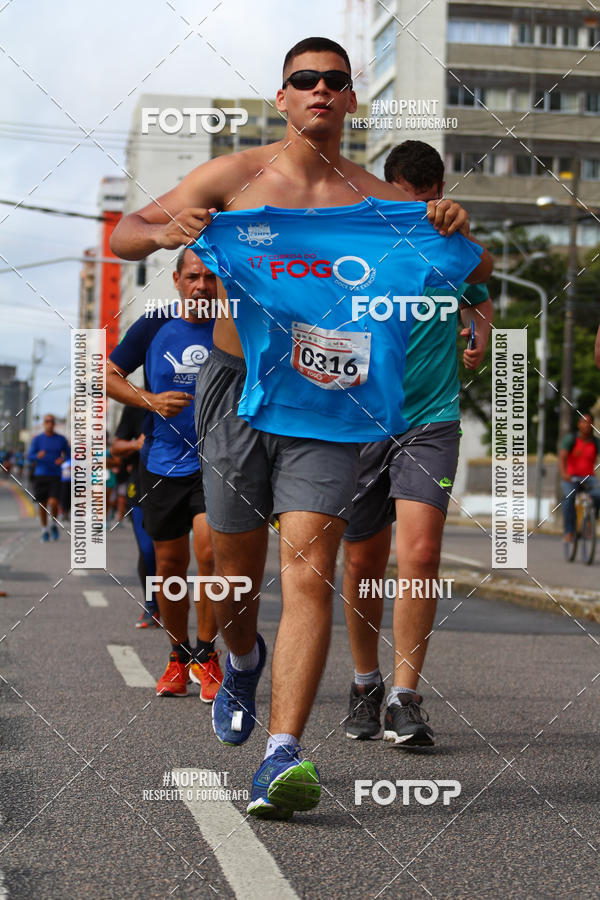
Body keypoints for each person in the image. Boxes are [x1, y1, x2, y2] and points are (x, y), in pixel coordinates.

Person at [110, 36, 492, 819]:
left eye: (335, 81)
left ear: (352, 100)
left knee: (310, 565)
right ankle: (241, 658)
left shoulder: (378, 203)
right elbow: (124, 234)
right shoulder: (235, 177)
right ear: (283, 96)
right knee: (235, 569)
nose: (320, 90)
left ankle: (282, 755)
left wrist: (449, 222)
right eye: (303, 80)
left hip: (328, 402)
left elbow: (472, 266)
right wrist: (165, 231)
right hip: (236, 388)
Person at [342, 140, 493, 745]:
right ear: (390, 189)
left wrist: (477, 334)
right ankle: (363, 683)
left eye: (430, 202)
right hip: (359, 420)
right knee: (361, 561)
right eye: (412, 202)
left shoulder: (446, 240)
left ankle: (405, 697)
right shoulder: (362, 239)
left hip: (431, 419)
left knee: (422, 556)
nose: (422, 212)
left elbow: (480, 294)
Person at [106, 249, 223, 701]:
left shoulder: (233, 326)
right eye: (194, 277)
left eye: (211, 278)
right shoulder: (154, 324)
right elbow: (108, 375)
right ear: (176, 280)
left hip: (219, 463)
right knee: (169, 567)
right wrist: (149, 401)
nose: (202, 287)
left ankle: (208, 655)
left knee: (210, 554)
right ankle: (179, 656)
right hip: (162, 462)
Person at [111, 405, 158, 628]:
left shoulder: (190, 399)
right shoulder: (135, 406)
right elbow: (116, 448)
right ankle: (152, 605)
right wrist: (135, 444)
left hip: (186, 485)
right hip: (141, 486)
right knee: (148, 551)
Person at [27, 414, 69, 542]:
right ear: (44, 424)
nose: (49, 423)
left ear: (54, 424)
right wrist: (37, 456)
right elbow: (29, 456)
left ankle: (54, 525)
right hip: (40, 475)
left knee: (54, 503)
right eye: (47, 421)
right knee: (43, 505)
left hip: (55, 475)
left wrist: (62, 459)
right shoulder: (38, 439)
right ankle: (45, 530)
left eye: (51, 421)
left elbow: (69, 454)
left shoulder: (61, 439)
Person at [559, 412, 600, 542]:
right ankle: (569, 531)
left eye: (589, 422)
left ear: (593, 425)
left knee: (598, 494)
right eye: (584, 422)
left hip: (589, 478)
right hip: (571, 477)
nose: (586, 425)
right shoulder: (571, 439)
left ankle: (590, 522)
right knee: (568, 497)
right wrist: (564, 473)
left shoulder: (596, 442)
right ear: (579, 424)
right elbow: (562, 457)